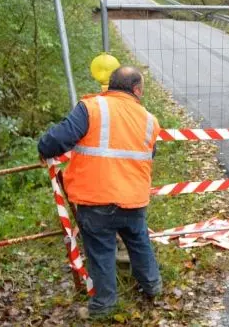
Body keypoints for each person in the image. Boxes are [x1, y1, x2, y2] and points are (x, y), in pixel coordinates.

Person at [38, 66, 162, 318]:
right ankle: (152, 286)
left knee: (101, 252)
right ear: (137, 90)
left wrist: (44, 150)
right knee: (139, 242)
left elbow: (54, 141)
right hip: (134, 198)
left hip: (96, 197)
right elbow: (150, 153)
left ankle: (104, 306)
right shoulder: (150, 119)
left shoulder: (91, 108)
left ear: (111, 84)